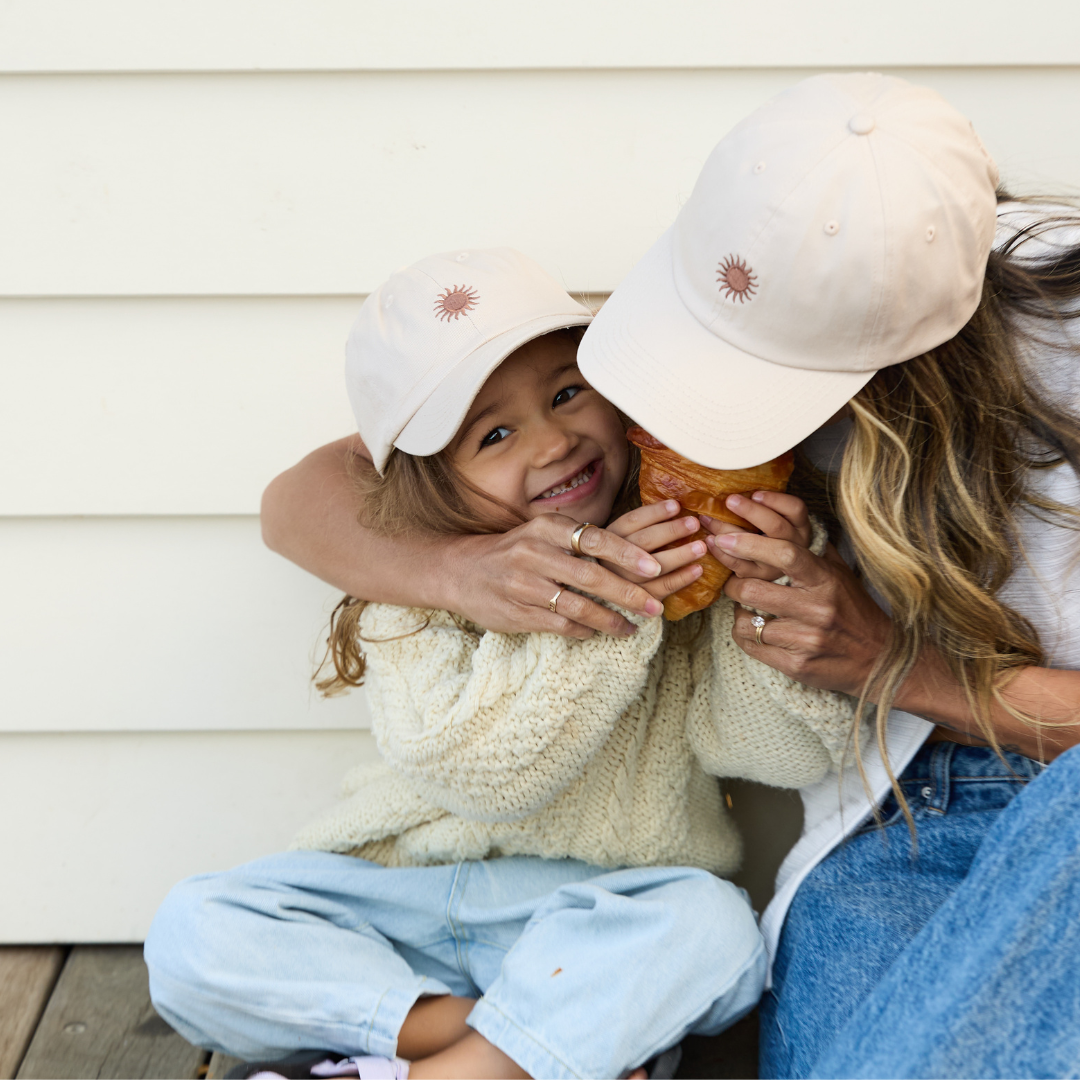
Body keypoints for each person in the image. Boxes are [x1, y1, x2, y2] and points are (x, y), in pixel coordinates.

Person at [262, 74, 1080, 1078]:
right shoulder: (764, 265)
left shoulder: (1043, 337)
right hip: (899, 813)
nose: (708, 395)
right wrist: (467, 569)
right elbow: (303, 495)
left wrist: (891, 667)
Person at [145, 248, 860, 1080]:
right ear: (433, 484)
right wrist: (609, 611)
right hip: (399, 896)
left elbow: (783, 753)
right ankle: (486, 1047)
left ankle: (413, 1064)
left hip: (597, 908)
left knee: (712, 929)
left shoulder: (675, 564)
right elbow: (484, 774)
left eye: (566, 393)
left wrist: (764, 591)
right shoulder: (417, 592)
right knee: (195, 928)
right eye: (494, 433)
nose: (555, 441)